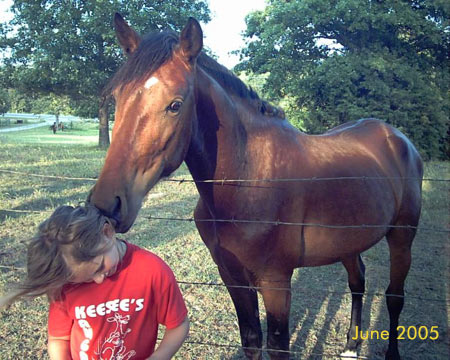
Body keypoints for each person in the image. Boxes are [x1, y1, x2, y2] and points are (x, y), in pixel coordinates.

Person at [0, 205, 189, 360]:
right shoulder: (66, 285)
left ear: (107, 232)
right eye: (87, 278)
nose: (98, 280)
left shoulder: (152, 270)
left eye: (99, 268)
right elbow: (58, 338)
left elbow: (178, 325)